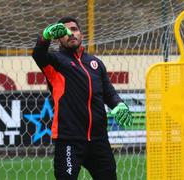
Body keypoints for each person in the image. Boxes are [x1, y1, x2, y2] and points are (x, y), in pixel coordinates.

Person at [32, 16, 133, 180]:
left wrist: (119, 105)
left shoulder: (95, 63)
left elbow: (109, 93)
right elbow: (38, 54)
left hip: (99, 139)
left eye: (74, 29)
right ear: (58, 39)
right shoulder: (55, 62)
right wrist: (45, 36)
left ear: (81, 34)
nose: (70, 34)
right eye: (64, 32)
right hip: (69, 140)